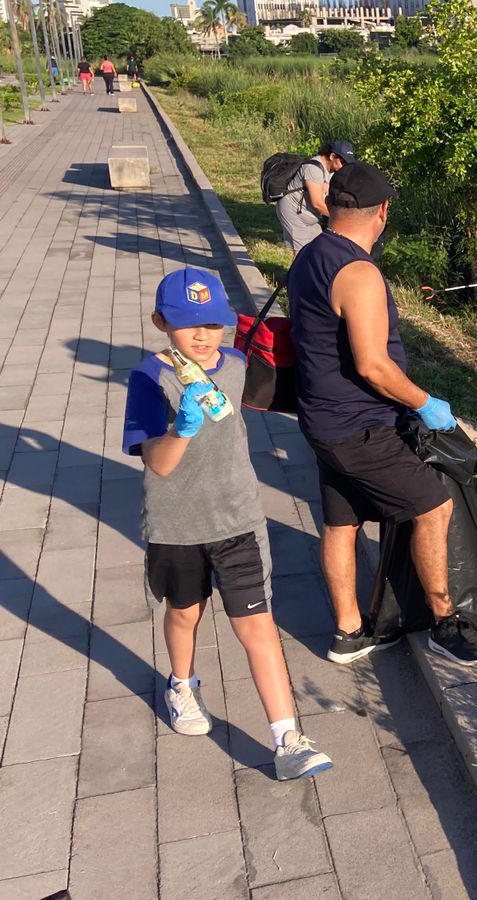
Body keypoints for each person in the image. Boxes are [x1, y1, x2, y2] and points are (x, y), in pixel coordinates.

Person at [122, 267, 335, 781]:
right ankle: (181, 685)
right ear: (160, 322)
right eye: (187, 324)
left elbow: (282, 371)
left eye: (214, 324)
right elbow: (159, 464)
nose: (202, 335)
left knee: (256, 625)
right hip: (176, 527)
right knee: (184, 615)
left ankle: (287, 739)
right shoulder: (150, 378)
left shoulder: (237, 363)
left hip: (238, 519)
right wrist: (180, 428)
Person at [286, 162, 477, 667]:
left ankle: (348, 632)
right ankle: (445, 626)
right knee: (433, 507)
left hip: (320, 419)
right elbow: (374, 366)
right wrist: (426, 404)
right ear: (382, 212)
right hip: (359, 427)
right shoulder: (358, 273)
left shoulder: (309, 254)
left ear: (330, 205)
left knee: (341, 523)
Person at [277, 140, 354, 257]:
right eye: (342, 161)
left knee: (318, 249)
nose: (344, 166)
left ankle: (307, 274)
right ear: (332, 156)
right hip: (293, 210)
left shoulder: (331, 170)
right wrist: (340, 217)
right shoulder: (313, 169)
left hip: (308, 213)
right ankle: (296, 275)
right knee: (301, 254)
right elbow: (317, 203)